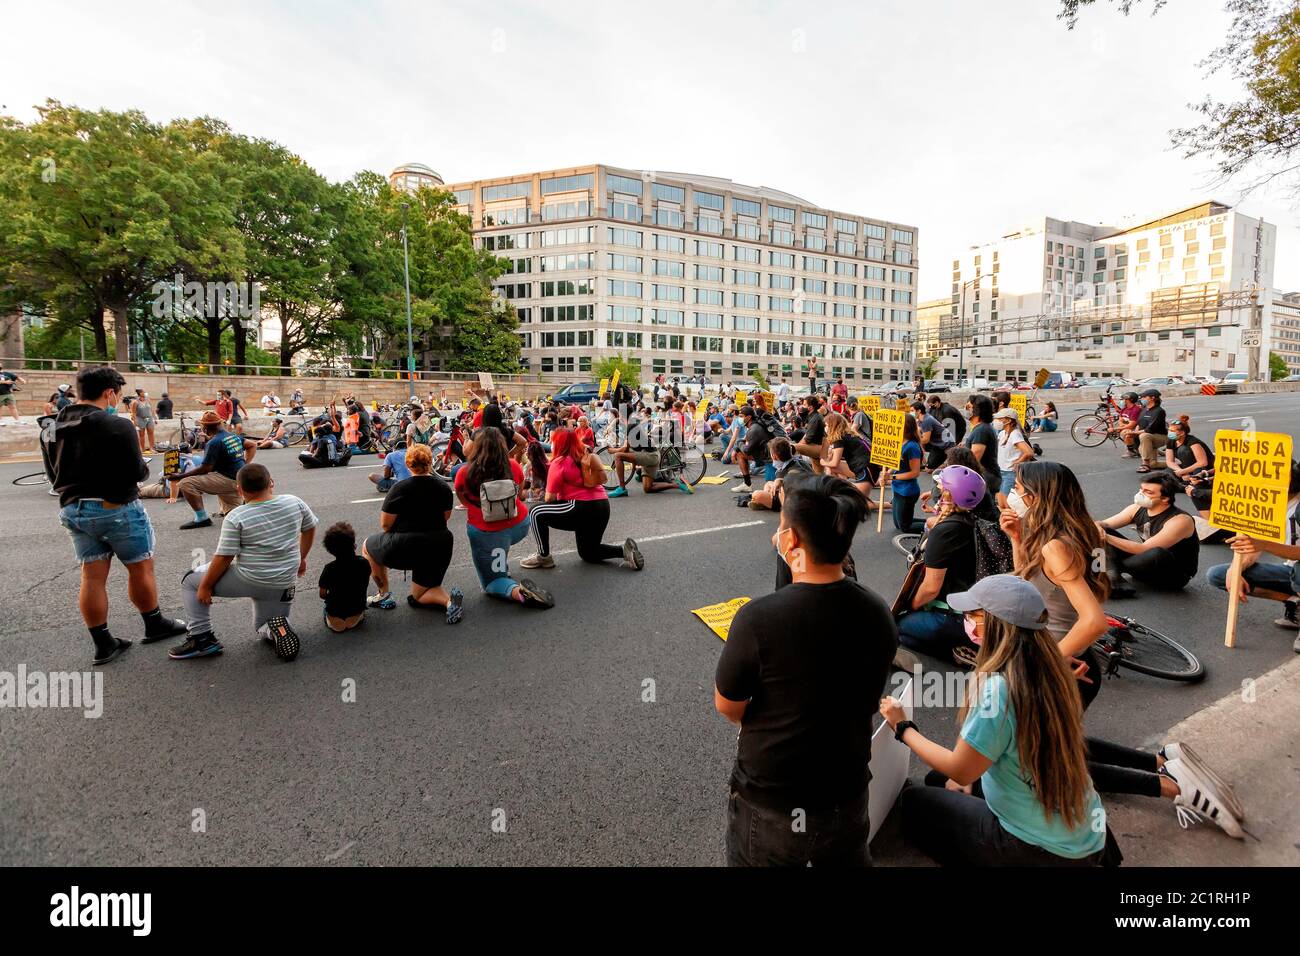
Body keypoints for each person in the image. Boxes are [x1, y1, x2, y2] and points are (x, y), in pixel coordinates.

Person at [1003, 462, 1243, 836]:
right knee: (1052, 743)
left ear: (1039, 496)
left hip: (1066, 660)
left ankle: (1176, 788)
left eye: (1020, 489)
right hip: (1063, 653)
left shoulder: (1056, 544)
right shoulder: (1068, 533)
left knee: (1040, 760)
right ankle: (1164, 762)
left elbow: (1094, 620)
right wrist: (1018, 538)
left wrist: (1051, 662)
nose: (1015, 495)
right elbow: (1029, 583)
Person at [715, 475, 897, 866]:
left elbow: (728, 705)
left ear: (792, 541)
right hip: (846, 791)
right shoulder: (878, 611)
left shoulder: (757, 619)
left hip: (772, 798)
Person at [881, 575, 1114, 866]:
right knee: (937, 780)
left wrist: (903, 727)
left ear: (994, 624)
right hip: (1086, 835)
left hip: (1037, 850)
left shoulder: (998, 690)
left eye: (972, 614)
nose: (966, 620)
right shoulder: (1052, 666)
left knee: (913, 803)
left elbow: (961, 771)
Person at [50, 365, 188, 665]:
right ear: (109, 393)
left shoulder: (55, 423)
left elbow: (53, 471)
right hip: (116, 507)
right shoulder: (118, 426)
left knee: (92, 576)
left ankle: (103, 643)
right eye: (118, 394)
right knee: (140, 568)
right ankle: (154, 623)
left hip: (73, 507)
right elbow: (137, 472)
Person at [173, 463, 316, 661]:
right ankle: (278, 629)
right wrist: (302, 557)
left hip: (251, 578)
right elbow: (309, 528)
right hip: (284, 581)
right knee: (263, 625)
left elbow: (224, 557)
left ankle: (201, 638)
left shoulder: (237, 516)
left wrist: (205, 586)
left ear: (239, 489)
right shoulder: (294, 502)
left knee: (190, 581)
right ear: (271, 482)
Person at [894, 464, 987, 663]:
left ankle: (956, 652)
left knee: (896, 628)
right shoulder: (969, 519)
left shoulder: (944, 532)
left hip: (955, 615)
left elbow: (930, 588)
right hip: (975, 608)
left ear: (948, 495)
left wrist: (911, 606)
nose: (936, 490)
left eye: (940, 486)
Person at [453, 428, 553, 609]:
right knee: (499, 549)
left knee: (492, 583)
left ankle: (518, 592)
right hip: (519, 524)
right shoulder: (512, 466)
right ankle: (500, 563)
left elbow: (463, 499)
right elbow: (520, 494)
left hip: (488, 532)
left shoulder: (464, 472)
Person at [363, 443, 463, 620]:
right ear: (430, 463)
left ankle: (384, 595)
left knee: (367, 546)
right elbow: (445, 517)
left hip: (406, 544)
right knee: (421, 594)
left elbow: (385, 525)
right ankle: (449, 602)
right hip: (439, 544)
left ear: (408, 465)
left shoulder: (399, 488)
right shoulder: (444, 488)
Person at [521, 428, 644, 571]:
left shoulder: (559, 462)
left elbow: (549, 498)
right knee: (589, 553)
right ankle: (624, 551)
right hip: (602, 506)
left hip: (580, 506)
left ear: (558, 444)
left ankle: (543, 557)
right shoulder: (585, 454)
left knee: (536, 512)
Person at [1206, 460, 1300, 643]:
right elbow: (1250, 546)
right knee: (1217, 575)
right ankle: (1294, 602)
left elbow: (1264, 545)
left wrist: (1264, 544)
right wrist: (1235, 569)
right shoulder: (1267, 506)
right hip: (1290, 571)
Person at [1097, 473, 1200, 597]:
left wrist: (1105, 538)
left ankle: (1109, 573)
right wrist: (1097, 527)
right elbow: (1103, 524)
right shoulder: (1136, 508)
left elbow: (1143, 549)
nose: (1141, 494)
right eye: (1141, 489)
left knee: (1157, 552)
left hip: (1171, 576)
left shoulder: (1180, 520)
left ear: (1165, 499)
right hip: (1142, 565)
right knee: (1099, 530)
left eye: (1148, 492)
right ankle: (1106, 574)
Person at [170, 410, 259, 529]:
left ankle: (202, 518)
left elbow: (205, 469)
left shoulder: (214, 442)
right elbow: (252, 445)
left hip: (229, 479)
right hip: (238, 477)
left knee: (186, 483)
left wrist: (179, 476)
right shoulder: (232, 436)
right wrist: (244, 465)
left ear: (205, 428)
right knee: (235, 515)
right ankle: (231, 509)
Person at [608, 408, 690, 497]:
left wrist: (612, 450)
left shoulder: (630, 426)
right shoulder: (633, 423)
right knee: (648, 488)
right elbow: (630, 449)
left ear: (621, 415)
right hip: (653, 455)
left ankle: (622, 488)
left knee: (618, 456)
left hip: (650, 456)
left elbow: (624, 450)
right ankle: (676, 485)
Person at [318, 521, 371, 633]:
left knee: (330, 609)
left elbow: (322, 594)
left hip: (335, 608)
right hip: (357, 604)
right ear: (354, 545)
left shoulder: (329, 568)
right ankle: (356, 615)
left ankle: (333, 619)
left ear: (330, 551)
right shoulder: (364, 563)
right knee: (356, 606)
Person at [746, 437, 812, 511]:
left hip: (795, 501)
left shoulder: (794, 470)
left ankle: (768, 503)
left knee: (756, 494)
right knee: (768, 483)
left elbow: (794, 476)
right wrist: (778, 481)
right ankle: (766, 501)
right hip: (800, 494)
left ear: (774, 456)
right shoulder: (798, 461)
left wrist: (780, 481)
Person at [818, 411, 873, 500]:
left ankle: (841, 491)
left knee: (858, 503)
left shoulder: (839, 439)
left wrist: (822, 462)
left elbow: (834, 463)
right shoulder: (846, 434)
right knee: (830, 468)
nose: (825, 428)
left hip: (865, 470)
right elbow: (832, 461)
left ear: (833, 426)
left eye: (827, 425)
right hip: (864, 467)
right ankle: (838, 491)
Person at [887, 413, 926, 533]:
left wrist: (892, 477)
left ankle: (935, 526)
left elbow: (915, 473)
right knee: (899, 524)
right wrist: (887, 473)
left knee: (905, 527)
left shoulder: (912, 446)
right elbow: (894, 464)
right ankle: (933, 523)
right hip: (897, 488)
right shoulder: (899, 442)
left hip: (907, 491)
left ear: (904, 427)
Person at [992, 407, 1035, 507]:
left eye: (1000, 418)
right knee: (1001, 504)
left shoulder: (1014, 434)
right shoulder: (1002, 433)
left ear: (1009, 420)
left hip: (1010, 473)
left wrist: (1018, 461)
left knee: (1008, 505)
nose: (997, 421)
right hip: (1001, 472)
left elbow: (1029, 452)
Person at [964, 394, 1001, 492]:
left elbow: (974, 460)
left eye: (968, 407)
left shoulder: (981, 430)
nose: (966, 410)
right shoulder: (981, 428)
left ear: (977, 410)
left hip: (986, 477)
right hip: (986, 476)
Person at [1164, 414, 1214, 481]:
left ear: (1182, 433)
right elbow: (1169, 461)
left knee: (1182, 450)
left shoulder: (1193, 441)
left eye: (1172, 431)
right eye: (1169, 430)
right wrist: (1181, 471)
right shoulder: (1171, 441)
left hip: (1203, 468)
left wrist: (1184, 471)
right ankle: (1185, 481)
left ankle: (1192, 482)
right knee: (1166, 473)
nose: (1169, 432)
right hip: (1186, 467)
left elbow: (1203, 462)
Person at [1132, 388, 1168, 473]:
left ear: (1152, 398)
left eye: (1144, 397)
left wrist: (1136, 432)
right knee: (1153, 465)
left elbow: (1150, 429)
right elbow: (1139, 423)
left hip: (1160, 437)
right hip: (1148, 436)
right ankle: (1174, 464)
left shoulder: (1159, 411)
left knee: (1144, 435)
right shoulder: (1144, 409)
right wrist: (1134, 431)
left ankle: (1145, 464)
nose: (1142, 399)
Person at [912, 400, 950, 470]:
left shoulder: (926, 420)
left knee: (928, 470)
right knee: (915, 442)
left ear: (919, 411)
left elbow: (925, 440)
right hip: (935, 443)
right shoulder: (920, 419)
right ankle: (923, 462)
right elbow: (918, 432)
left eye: (912, 411)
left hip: (943, 445)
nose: (911, 413)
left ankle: (943, 465)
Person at [132, 388, 156, 453]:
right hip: (140, 419)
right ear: (140, 393)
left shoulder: (148, 400)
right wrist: (135, 421)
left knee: (151, 433)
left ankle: (152, 448)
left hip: (149, 418)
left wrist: (155, 417)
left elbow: (152, 409)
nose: (145, 393)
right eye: (143, 392)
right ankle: (142, 449)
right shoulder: (135, 402)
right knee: (141, 435)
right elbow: (133, 413)